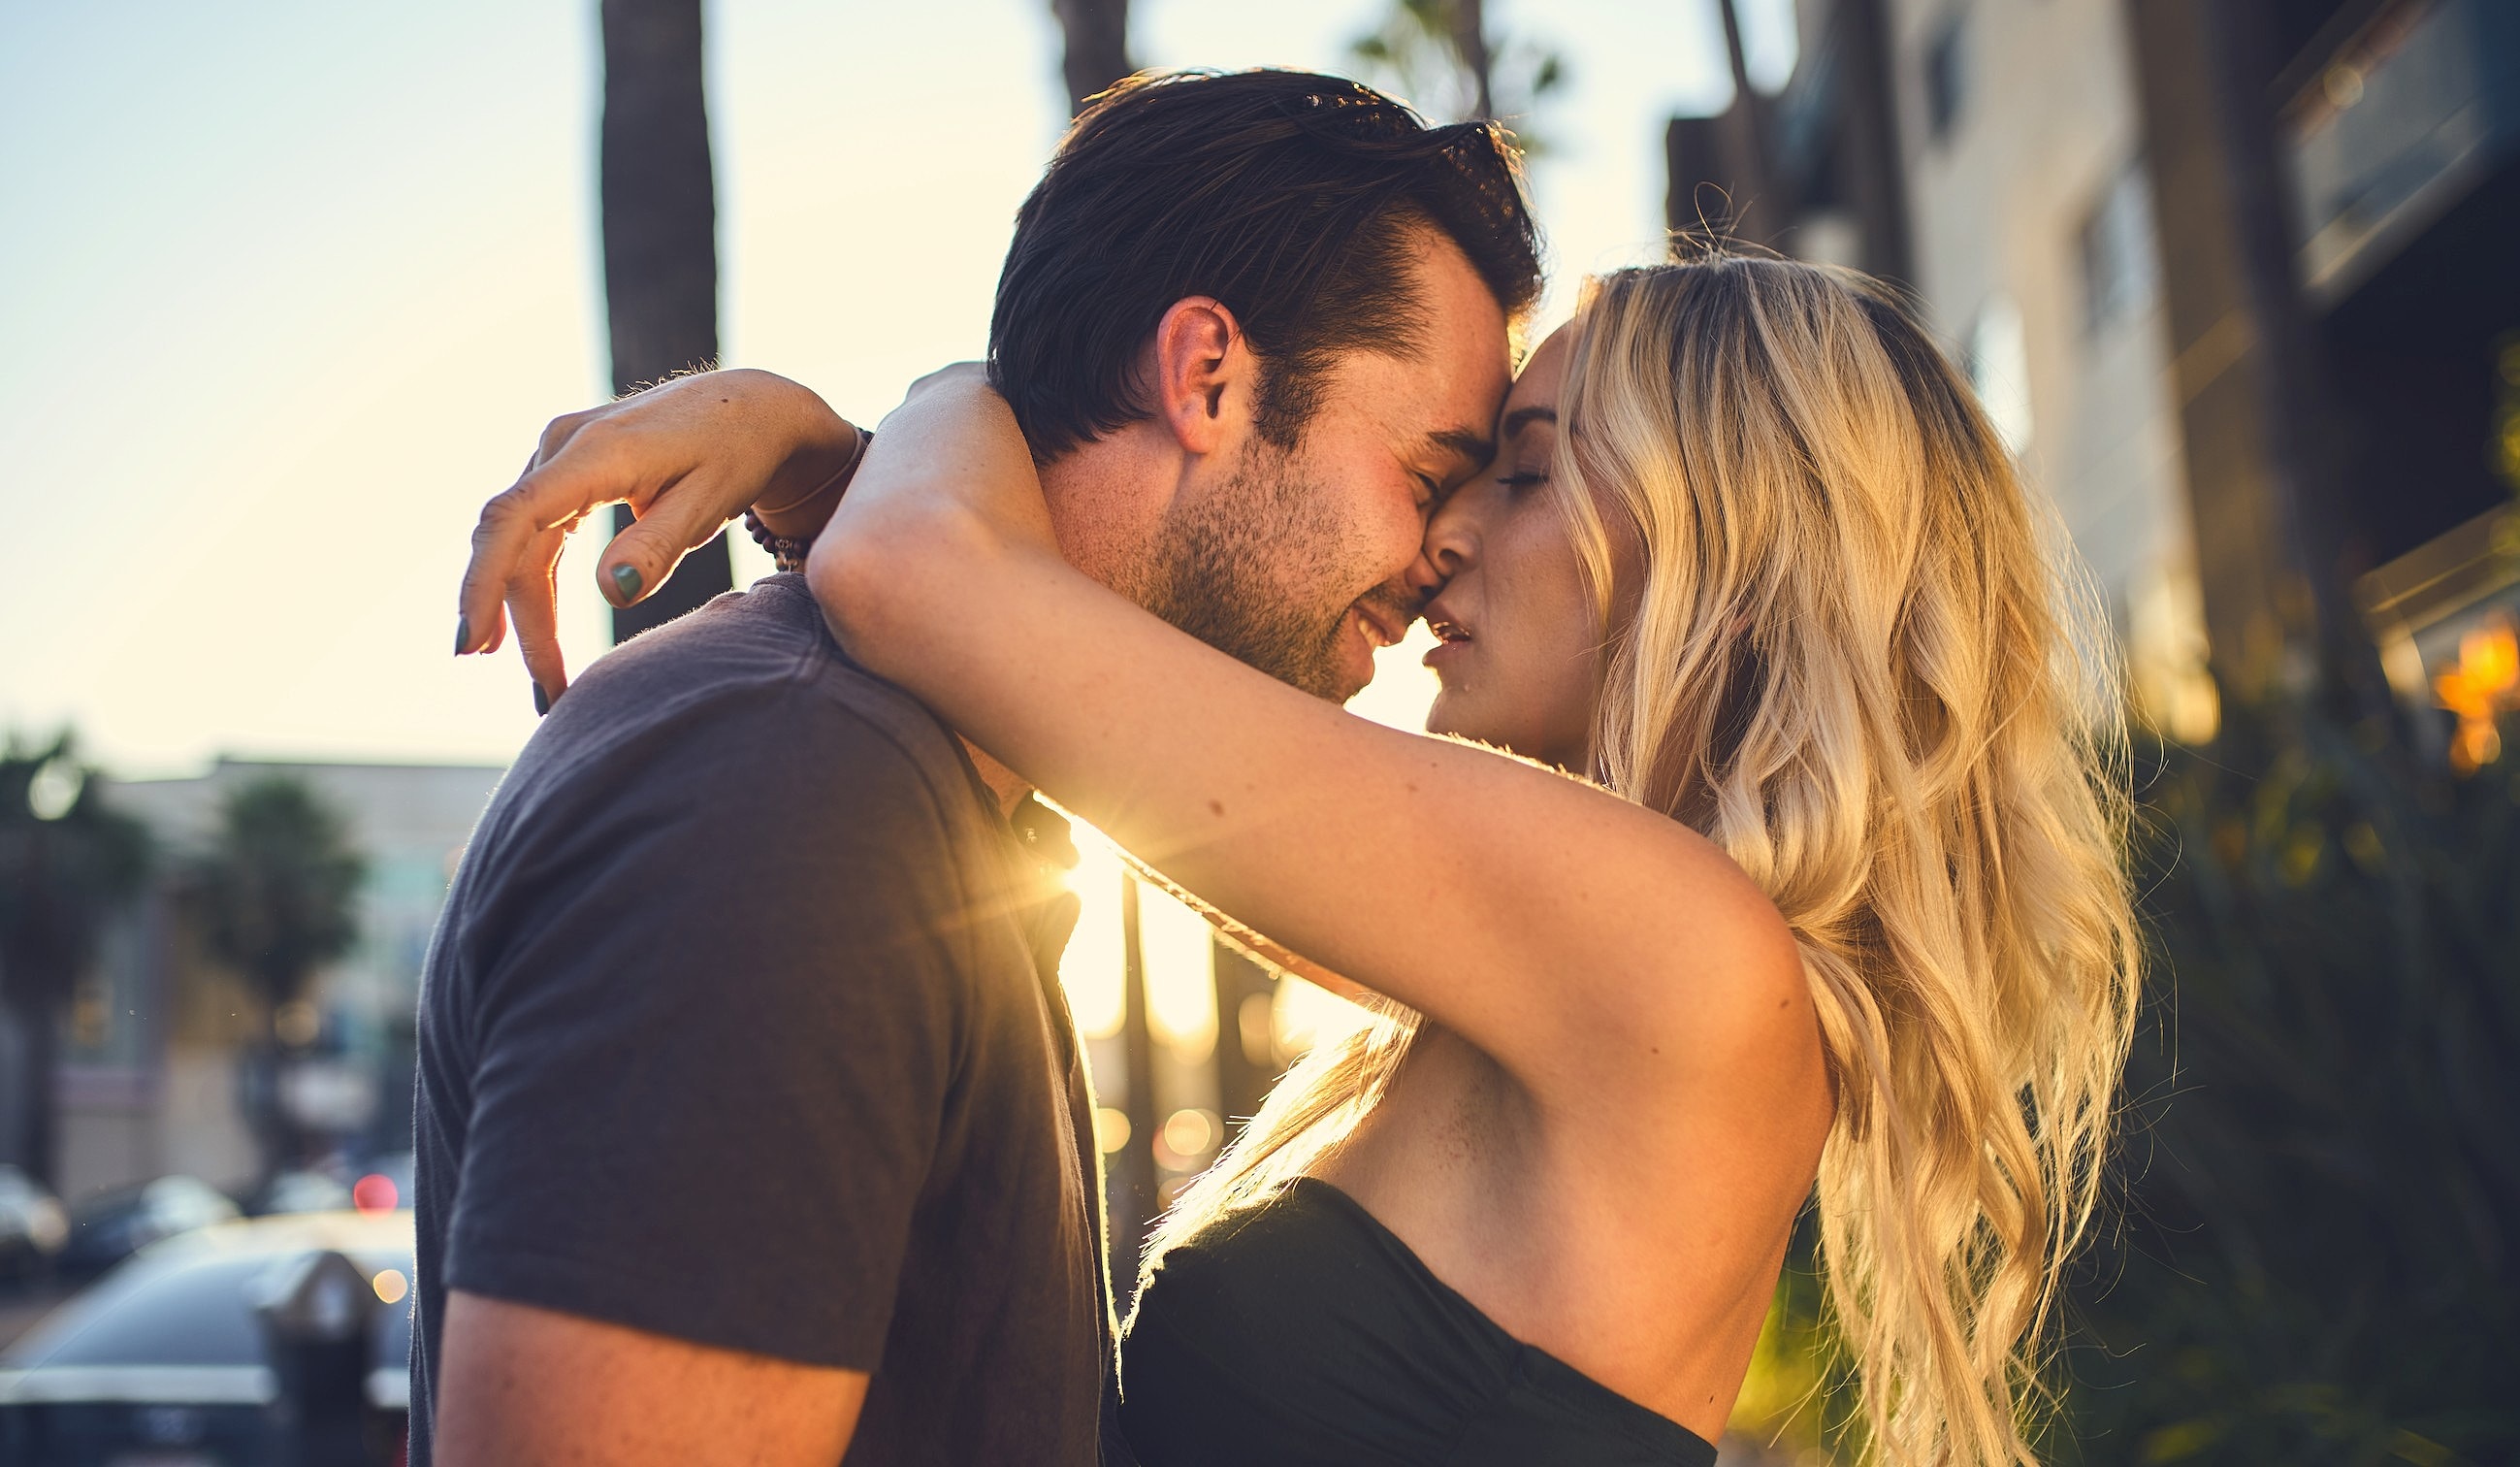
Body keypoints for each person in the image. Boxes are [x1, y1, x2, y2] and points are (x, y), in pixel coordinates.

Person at [458, 253, 2141, 1464]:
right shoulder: (1567, 965)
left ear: (1741, 545)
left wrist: (896, 411)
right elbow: (1021, 666)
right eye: (1458, 473)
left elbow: (923, 580)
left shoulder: (1668, 949)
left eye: (1530, 476)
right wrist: (848, 480)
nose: (1449, 535)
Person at [423, 70, 1540, 1467]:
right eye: (1429, 471)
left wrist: (847, 460)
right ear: (1206, 374)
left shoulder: (913, 787)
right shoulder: (792, 798)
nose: (1444, 549)